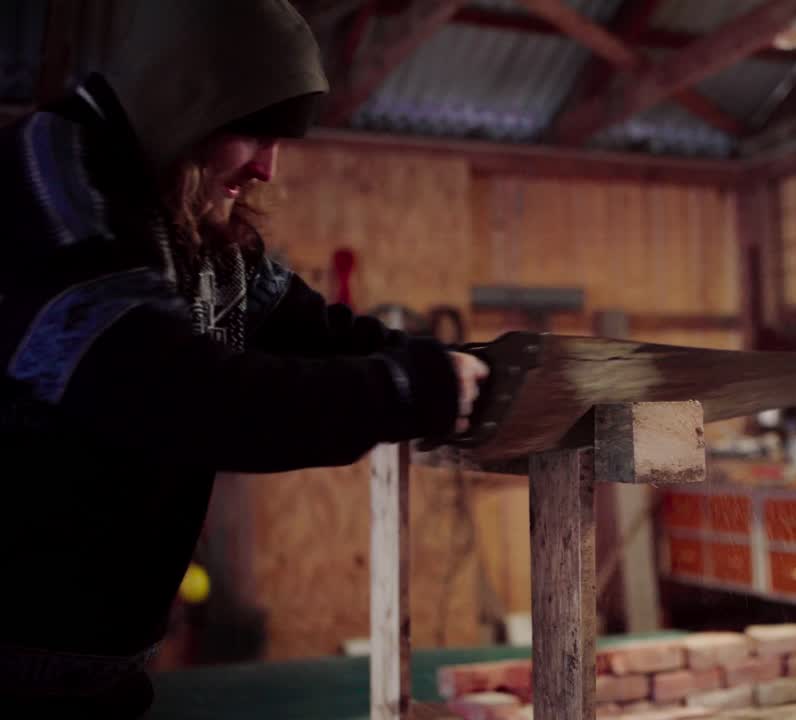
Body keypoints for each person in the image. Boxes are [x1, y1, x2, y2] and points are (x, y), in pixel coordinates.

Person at [0, 1, 488, 716]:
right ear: (186, 102)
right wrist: (414, 388)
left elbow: (309, 328)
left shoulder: (187, 208)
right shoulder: (53, 191)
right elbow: (179, 398)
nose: (267, 165)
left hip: (95, 674)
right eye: (253, 131)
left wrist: (458, 364)